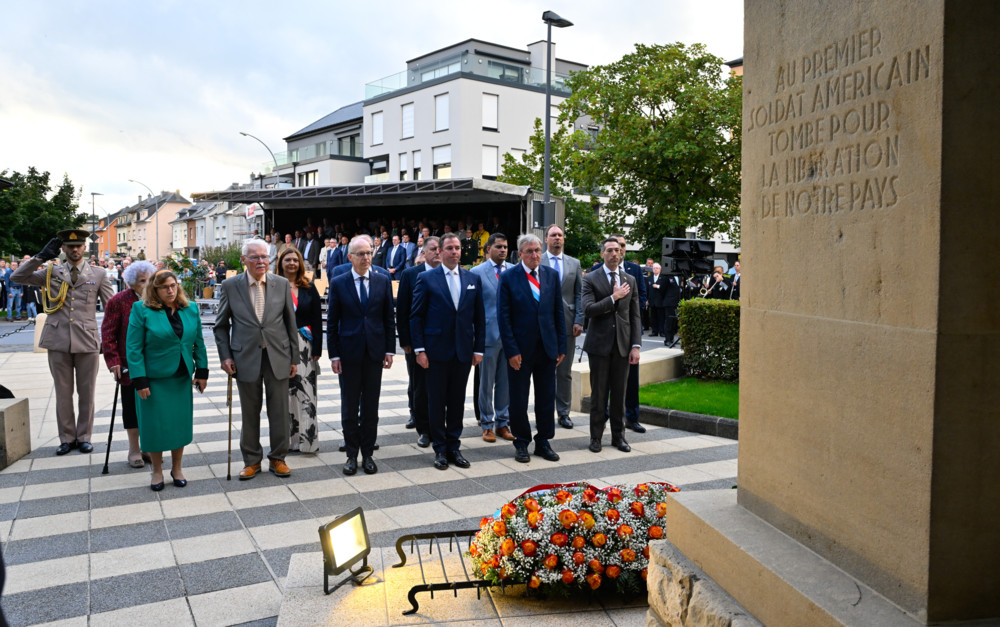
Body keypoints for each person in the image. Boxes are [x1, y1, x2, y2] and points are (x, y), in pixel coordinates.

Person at [13, 230, 114, 454]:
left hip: (87, 340)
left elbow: (111, 308)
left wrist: (114, 339)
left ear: (85, 247)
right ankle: (67, 438)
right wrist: (40, 257)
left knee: (87, 392)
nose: (75, 250)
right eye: (70, 246)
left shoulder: (98, 274)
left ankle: (84, 436)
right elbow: (16, 277)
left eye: (78, 246)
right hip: (58, 340)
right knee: (63, 392)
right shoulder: (50, 271)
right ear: (63, 249)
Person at [214, 239, 299, 480]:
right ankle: (251, 460)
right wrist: (225, 356)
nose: (261, 261)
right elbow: (220, 326)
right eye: (255, 257)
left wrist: (294, 357)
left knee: (280, 411)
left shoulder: (281, 284)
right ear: (244, 260)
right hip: (245, 357)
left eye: (264, 257)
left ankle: (278, 458)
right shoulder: (231, 286)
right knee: (250, 411)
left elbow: (290, 324)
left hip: (278, 356)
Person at [126, 270, 208, 490]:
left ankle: (177, 468)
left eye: (173, 285)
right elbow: (133, 348)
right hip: (153, 379)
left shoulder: (190, 308)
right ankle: (157, 471)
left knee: (178, 425)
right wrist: (139, 379)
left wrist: (202, 371)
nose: (170, 290)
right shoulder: (141, 310)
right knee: (155, 426)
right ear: (155, 289)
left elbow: (198, 341)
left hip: (181, 376)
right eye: (164, 287)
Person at [410, 233, 485, 470]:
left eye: (458, 248)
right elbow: (416, 317)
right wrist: (419, 350)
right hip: (435, 352)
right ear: (440, 252)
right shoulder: (427, 278)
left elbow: (479, 319)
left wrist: (479, 349)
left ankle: (454, 446)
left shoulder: (472, 279)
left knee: (456, 402)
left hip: (462, 352)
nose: (454, 252)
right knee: (436, 402)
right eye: (450, 248)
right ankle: (440, 449)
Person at [327, 236, 395, 475]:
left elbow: (388, 318)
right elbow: (332, 322)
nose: (366, 257)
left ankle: (368, 454)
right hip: (348, 353)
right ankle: (351, 454)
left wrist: (389, 349)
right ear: (350, 257)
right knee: (349, 405)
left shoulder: (382, 280)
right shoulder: (339, 282)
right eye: (361, 254)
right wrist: (334, 355)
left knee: (370, 407)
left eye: (369, 253)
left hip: (375, 352)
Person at [497, 233, 566, 464]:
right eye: (530, 251)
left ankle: (544, 441)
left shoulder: (551, 275)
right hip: (520, 350)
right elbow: (503, 317)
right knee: (518, 399)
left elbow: (558, 313)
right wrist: (511, 351)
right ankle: (522, 442)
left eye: (537, 250)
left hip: (547, 348)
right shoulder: (508, 278)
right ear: (520, 254)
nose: (535, 255)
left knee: (546, 397)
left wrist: (560, 346)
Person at [582, 238, 642, 453]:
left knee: (620, 394)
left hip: (623, 345)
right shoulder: (590, 279)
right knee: (598, 395)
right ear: (602, 254)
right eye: (610, 250)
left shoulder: (630, 279)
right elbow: (588, 309)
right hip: (599, 345)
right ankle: (596, 438)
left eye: (617, 250)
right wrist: (613, 298)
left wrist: (636, 345)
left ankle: (619, 437)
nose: (615, 254)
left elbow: (635, 315)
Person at [101, 260, 156, 468]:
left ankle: (149, 446)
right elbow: (108, 335)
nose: (147, 284)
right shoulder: (119, 301)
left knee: (151, 406)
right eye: (142, 281)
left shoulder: (158, 299)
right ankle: (134, 449)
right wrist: (113, 361)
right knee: (131, 407)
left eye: (150, 279)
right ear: (131, 284)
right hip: (128, 364)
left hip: (155, 363)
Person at [395, 236, 441, 447]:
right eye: (433, 249)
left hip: (442, 341)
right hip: (417, 342)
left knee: (441, 388)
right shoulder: (410, 274)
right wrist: (405, 340)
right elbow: (403, 309)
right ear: (423, 253)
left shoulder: (449, 274)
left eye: (441, 248)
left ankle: (440, 426)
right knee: (420, 386)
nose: (438, 252)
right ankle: (424, 429)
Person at [276, 247, 323, 454]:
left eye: (295, 260)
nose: (292, 263)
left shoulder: (308, 287)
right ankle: (286, 441)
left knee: (306, 394)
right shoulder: (273, 286)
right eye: (287, 259)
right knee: (284, 394)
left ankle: (307, 441)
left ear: (300, 264)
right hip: (280, 345)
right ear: (280, 263)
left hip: (305, 345)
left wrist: (318, 349)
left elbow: (316, 319)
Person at [470, 233, 514, 442]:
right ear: (488, 249)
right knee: (486, 384)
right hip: (487, 336)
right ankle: (486, 423)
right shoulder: (477, 273)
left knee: (505, 383)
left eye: (505, 247)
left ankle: (502, 423)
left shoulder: (514, 270)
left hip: (510, 337)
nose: (503, 250)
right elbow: (472, 308)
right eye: (498, 247)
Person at [540, 224, 584, 430]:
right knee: (542, 371)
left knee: (565, 372)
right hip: (541, 322)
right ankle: (544, 410)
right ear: (546, 239)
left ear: (563, 239)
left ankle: (564, 412)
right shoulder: (537, 259)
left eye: (560, 235)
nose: (557, 238)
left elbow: (579, 294)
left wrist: (579, 319)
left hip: (567, 322)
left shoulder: (574, 263)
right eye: (553, 235)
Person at [647, 262, 670, 337]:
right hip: (652, 301)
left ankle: (662, 331)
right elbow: (648, 289)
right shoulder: (649, 278)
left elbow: (665, 289)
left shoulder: (663, 278)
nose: (655, 269)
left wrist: (658, 286)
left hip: (660, 301)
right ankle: (654, 331)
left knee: (661, 317)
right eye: (654, 268)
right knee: (653, 318)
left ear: (660, 269)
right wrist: (647, 300)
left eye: (657, 268)